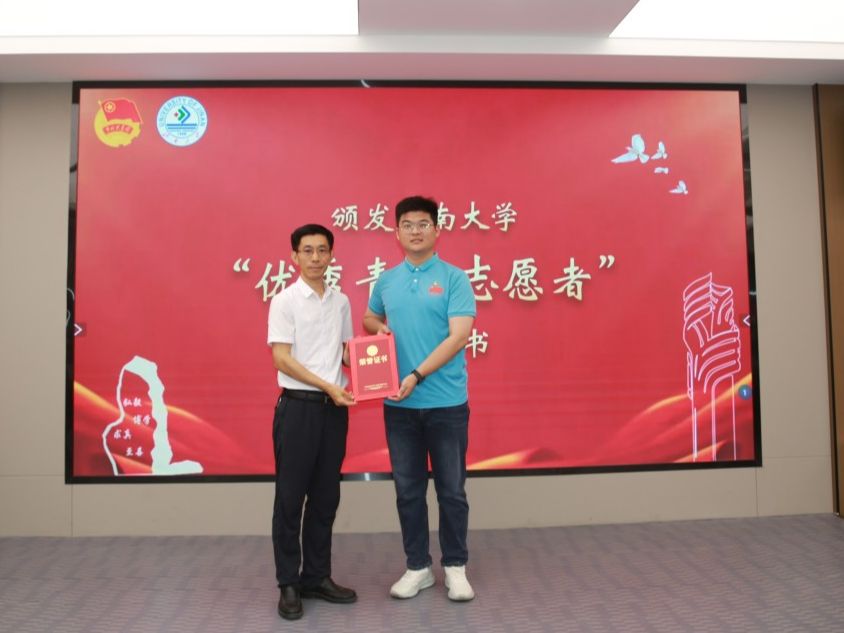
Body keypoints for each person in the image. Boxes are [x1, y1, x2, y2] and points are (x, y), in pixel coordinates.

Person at [363, 195, 477, 602]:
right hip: (399, 406)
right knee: (408, 491)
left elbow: (459, 336)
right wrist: (378, 330)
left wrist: (416, 374)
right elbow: (370, 316)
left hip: (446, 403)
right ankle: (418, 567)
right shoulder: (387, 280)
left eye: (423, 224)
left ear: (437, 230)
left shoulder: (454, 278)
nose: (415, 231)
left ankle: (455, 567)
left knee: (451, 491)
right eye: (408, 225)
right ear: (396, 232)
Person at [267, 224, 357, 620]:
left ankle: (316, 576)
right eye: (308, 251)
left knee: (325, 497)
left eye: (323, 250)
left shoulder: (341, 302)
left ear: (332, 255)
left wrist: (379, 352)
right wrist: (328, 386)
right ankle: (288, 582)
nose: (316, 257)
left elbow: (347, 354)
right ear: (294, 256)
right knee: (290, 499)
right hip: (298, 409)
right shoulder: (284, 301)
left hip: (333, 412)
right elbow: (282, 359)